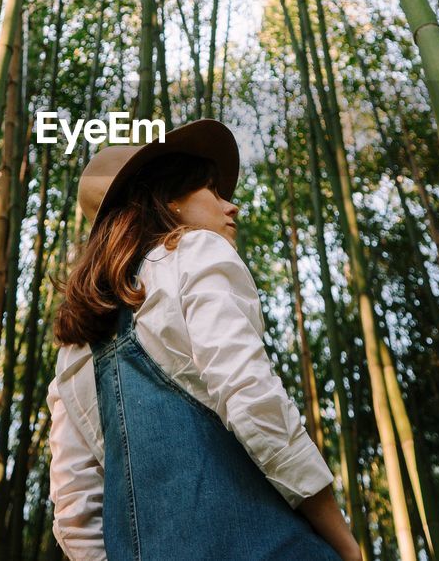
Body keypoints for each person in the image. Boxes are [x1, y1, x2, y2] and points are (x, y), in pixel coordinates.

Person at [46, 118, 362, 561]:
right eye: (212, 191)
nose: (231, 207)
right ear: (168, 200)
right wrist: (343, 540)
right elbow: (252, 396)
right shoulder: (194, 252)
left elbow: (74, 509)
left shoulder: (73, 351)